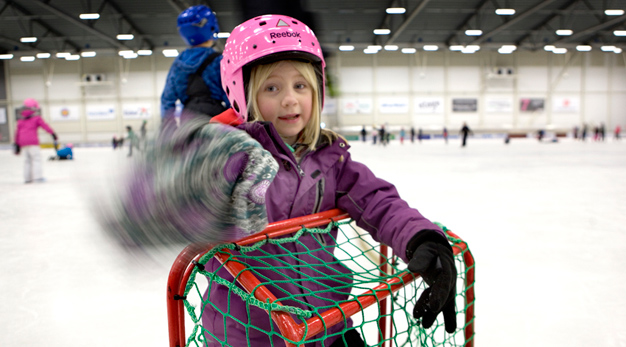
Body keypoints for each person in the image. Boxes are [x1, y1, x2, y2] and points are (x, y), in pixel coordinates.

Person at [199, 15, 457, 346]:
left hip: (326, 324)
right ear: (242, 94)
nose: (290, 99)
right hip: (251, 335)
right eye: (272, 87)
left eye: (300, 86)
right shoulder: (229, 158)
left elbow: (378, 201)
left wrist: (422, 238)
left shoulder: (330, 159)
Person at [160, 5, 230, 126]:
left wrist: (170, 128)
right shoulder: (219, 61)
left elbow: (167, 100)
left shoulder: (178, 63)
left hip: (188, 120)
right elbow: (231, 96)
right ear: (211, 27)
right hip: (217, 120)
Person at [13, 98, 57, 183]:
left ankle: (27, 179)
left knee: (27, 160)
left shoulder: (20, 119)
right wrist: (52, 134)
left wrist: (17, 144)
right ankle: (38, 178)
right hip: (33, 142)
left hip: (23, 142)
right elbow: (45, 126)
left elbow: (17, 132)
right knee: (36, 159)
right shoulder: (36, 117)